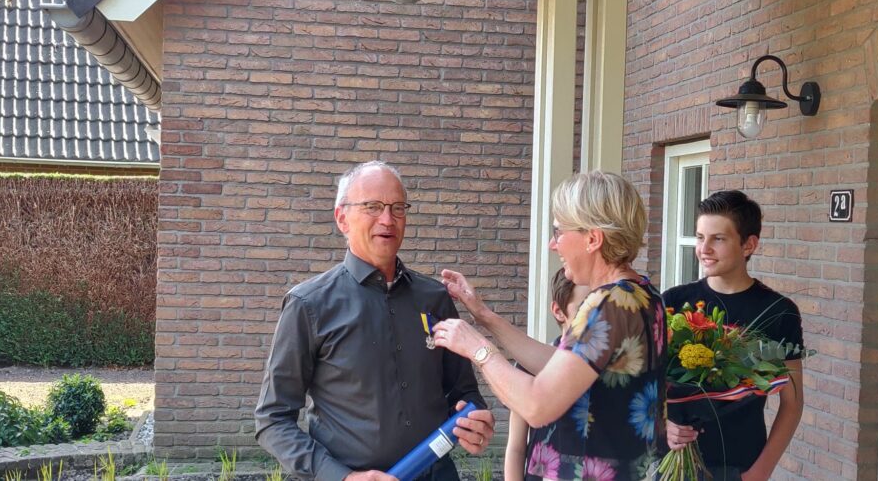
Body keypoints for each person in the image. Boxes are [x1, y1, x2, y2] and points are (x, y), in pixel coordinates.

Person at [254, 161, 495, 481]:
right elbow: (272, 419)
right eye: (372, 207)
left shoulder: (435, 298)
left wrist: (472, 422)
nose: (387, 219)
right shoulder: (309, 305)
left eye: (398, 208)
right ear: (342, 218)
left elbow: (464, 392)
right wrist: (341, 477)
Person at [433, 171, 666, 480]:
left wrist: (477, 348)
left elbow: (536, 406)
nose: (552, 244)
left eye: (559, 231)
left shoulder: (606, 305)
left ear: (593, 239)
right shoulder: (642, 294)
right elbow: (560, 366)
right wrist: (484, 315)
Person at [663, 190, 805, 481]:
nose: (704, 249)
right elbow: (644, 385)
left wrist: (760, 472)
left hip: (739, 464)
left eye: (718, 239)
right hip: (669, 462)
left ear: (748, 245)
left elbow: (792, 402)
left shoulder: (778, 311)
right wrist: (661, 424)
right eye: (700, 237)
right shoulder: (673, 303)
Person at [504, 268, 591, 481]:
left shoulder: (616, 371)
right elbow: (516, 447)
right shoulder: (529, 367)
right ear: (558, 311)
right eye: (584, 307)